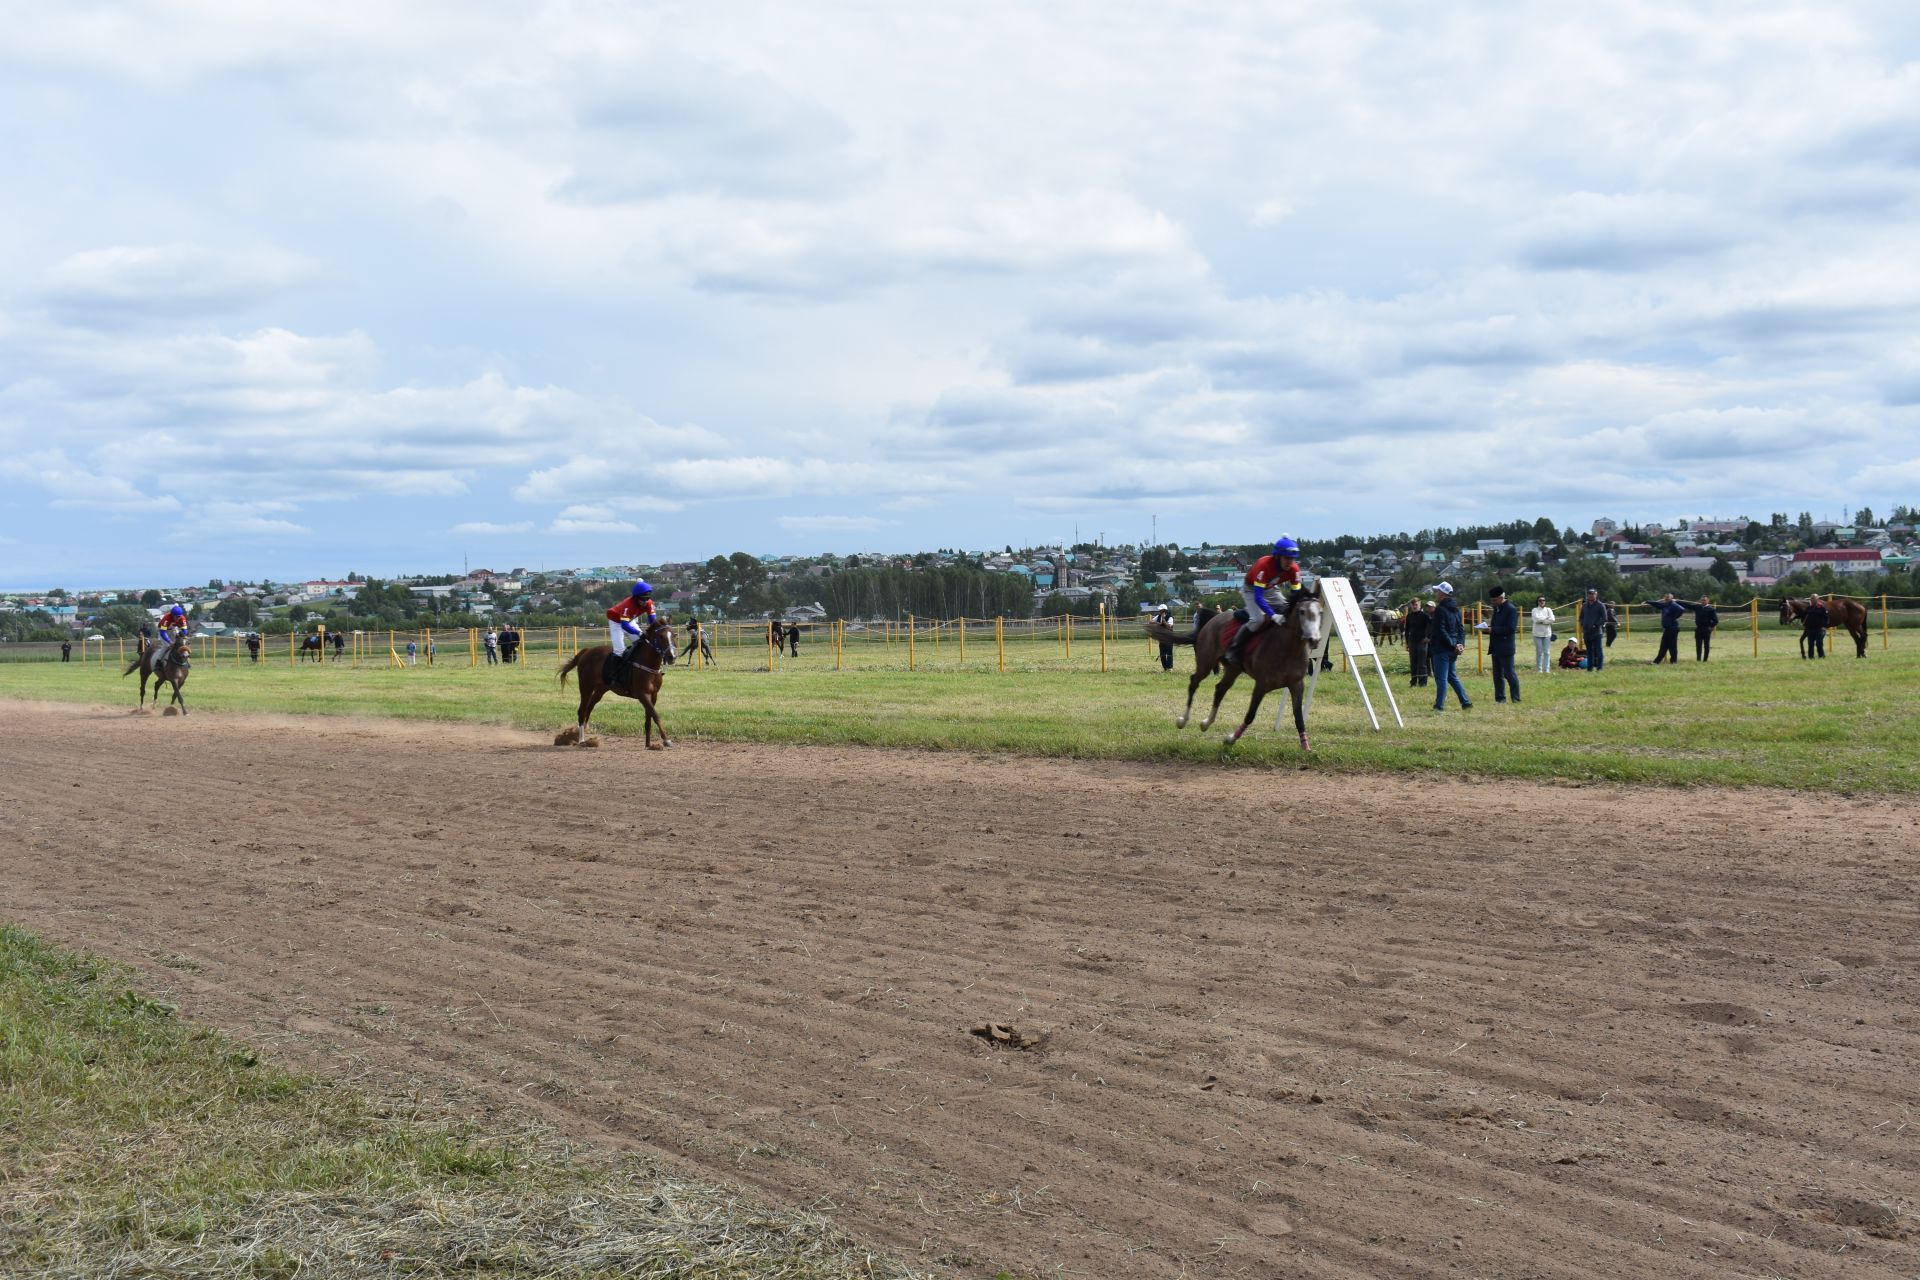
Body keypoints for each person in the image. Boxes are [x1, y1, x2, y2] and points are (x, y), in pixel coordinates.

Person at [1223, 536, 1301, 667]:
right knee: (1257, 619)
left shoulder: (1294, 569)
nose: (1290, 562)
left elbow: (1296, 595)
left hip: (1270, 588)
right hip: (1252, 589)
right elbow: (1259, 598)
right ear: (1277, 557)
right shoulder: (1264, 566)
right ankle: (1234, 649)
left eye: (1292, 559)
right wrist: (1273, 615)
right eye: (1287, 558)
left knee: (1289, 611)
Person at [1428, 582, 1472, 711]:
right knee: (1452, 677)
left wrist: (1453, 645)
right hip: (1453, 649)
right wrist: (1460, 644)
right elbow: (1461, 629)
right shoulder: (1456, 609)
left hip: (1442, 649)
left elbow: (1440, 630)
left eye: (1437, 591)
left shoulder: (1440, 610)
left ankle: (1439, 706)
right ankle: (1465, 702)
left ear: (1442, 594)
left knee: (1441, 678)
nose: (1436, 593)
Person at [606, 580, 657, 658]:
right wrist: (638, 633)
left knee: (643, 643)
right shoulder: (628, 605)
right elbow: (624, 625)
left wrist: (655, 630)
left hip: (629, 620)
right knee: (619, 651)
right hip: (616, 622)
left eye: (648, 598)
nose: (645, 601)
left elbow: (652, 620)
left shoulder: (649, 603)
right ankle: (614, 669)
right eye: (643, 599)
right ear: (636, 598)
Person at [1486, 586, 1519, 703]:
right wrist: (1487, 629)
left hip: (1506, 647)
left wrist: (1493, 630)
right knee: (1497, 675)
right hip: (1495, 646)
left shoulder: (1511, 609)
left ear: (1501, 598)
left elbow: (1511, 628)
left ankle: (1516, 698)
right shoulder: (1497, 609)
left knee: (1509, 674)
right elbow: (1496, 626)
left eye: (1494, 600)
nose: (1492, 603)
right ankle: (1500, 699)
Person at [1644, 593, 1687, 665]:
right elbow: (1656, 604)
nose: (1666, 599)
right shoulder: (1664, 605)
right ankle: (1657, 661)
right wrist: (1647, 601)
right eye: (1665, 597)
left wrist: (1675, 617)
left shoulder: (1673, 605)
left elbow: (1681, 609)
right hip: (1667, 629)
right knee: (1664, 645)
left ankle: (1673, 662)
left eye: (1668, 597)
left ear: (1671, 598)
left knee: (1672, 646)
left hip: (1673, 628)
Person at [1404, 600, 1433, 686]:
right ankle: (1413, 682)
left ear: (1420, 605)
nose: (1414, 606)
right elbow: (1407, 630)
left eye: (1416, 605)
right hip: (1412, 642)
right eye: (1413, 605)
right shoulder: (1409, 616)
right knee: (1413, 663)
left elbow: (1433, 625)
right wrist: (1407, 642)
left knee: (1422, 663)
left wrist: (1429, 637)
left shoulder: (1425, 615)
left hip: (1422, 642)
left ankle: (1423, 682)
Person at [1578, 589, 1608, 671]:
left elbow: (1604, 618)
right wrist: (1582, 624)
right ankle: (1589, 668)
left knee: (1598, 651)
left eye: (1593, 594)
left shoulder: (1600, 605)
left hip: (1597, 632)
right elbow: (1581, 617)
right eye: (1589, 594)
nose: (1591, 595)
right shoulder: (1584, 605)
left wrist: (1596, 625)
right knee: (1589, 652)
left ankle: (1599, 668)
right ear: (1587, 595)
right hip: (1587, 632)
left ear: (1596, 595)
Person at [1530, 595, 1556, 675]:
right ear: (1537, 602)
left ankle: (1547, 669)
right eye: (1540, 600)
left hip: (1547, 634)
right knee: (1539, 652)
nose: (1542, 602)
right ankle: (1539, 669)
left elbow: (1552, 619)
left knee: (1547, 652)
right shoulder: (1534, 610)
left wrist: (1543, 620)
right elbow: (1536, 619)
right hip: (1537, 634)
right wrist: (1546, 619)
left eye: (1543, 600)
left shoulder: (1548, 609)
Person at [1688, 595, 1719, 662]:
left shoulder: (1711, 609)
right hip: (1698, 629)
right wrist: (1676, 601)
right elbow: (1688, 606)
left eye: (1704, 600)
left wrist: (1710, 628)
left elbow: (1716, 621)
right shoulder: (1697, 607)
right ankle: (1698, 659)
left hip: (1706, 629)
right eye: (1702, 600)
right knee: (1698, 645)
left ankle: (1705, 659)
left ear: (1708, 601)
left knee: (1706, 645)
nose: (1703, 601)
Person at [1805, 595, 1829, 659]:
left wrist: (1824, 626)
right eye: (1811, 598)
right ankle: (1810, 657)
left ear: (1817, 599)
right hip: (1810, 629)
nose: (1812, 600)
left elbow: (1826, 618)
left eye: (1814, 598)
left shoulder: (1822, 607)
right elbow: (1806, 617)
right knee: (1810, 644)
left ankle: (1821, 656)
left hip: (1819, 629)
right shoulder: (1809, 608)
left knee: (1819, 644)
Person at [1153, 605, 1175, 671]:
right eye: (1159, 610)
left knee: (1169, 653)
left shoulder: (1170, 618)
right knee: (1162, 653)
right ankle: (1165, 668)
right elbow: (1151, 621)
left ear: (1164, 610)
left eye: (1161, 610)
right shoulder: (1158, 616)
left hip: (1169, 638)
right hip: (1161, 638)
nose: (1159, 611)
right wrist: (1159, 623)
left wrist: (1164, 620)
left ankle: (1170, 668)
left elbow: (1169, 626)